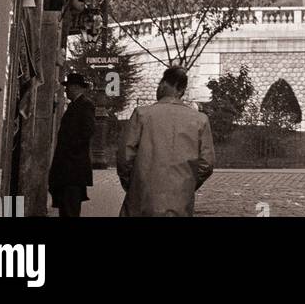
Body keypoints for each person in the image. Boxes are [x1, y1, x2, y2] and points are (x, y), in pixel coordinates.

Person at [117, 65, 214, 217]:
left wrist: (134, 183)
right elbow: (206, 164)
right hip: (180, 199)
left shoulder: (142, 115)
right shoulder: (200, 120)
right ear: (182, 90)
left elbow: (125, 157)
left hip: (142, 197)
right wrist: (187, 184)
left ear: (163, 85)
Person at [48, 73, 95, 217]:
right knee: (66, 207)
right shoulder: (76, 105)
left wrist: (69, 153)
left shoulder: (85, 105)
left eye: (67, 87)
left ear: (75, 87)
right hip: (69, 169)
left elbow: (86, 133)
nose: (66, 90)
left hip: (72, 168)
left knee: (70, 209)